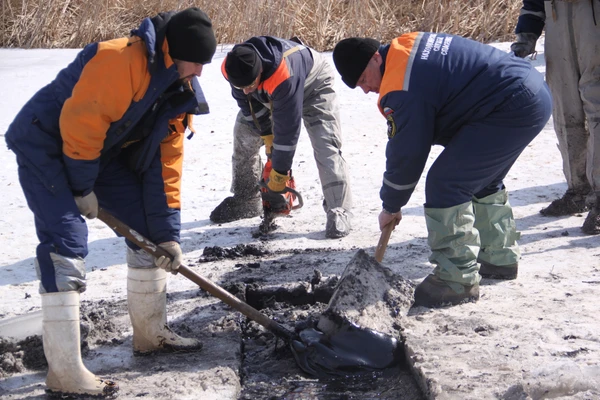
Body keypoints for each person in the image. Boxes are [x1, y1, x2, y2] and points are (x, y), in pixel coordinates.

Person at [4, 7, 217, 397]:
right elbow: (80, 123)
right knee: (66, 241)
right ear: (174, 50)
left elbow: (165, 166)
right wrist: (82, 188)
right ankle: (65, 372)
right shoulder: (120, 60)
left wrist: (167, 236)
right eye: (196, 62)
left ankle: (150, 335)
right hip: (46, 143)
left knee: (145, 233)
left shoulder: (179, 93)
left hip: (96, 153)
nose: (200, 73)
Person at [332, 33, 552, 308]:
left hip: (510, 103)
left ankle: (456, 280)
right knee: (480, 178)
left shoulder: (401, 86)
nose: (365, 89)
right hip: (529, 91)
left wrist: (392, 204)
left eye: (363, 79)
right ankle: (499, 257)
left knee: (446, 183)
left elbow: (407, 153)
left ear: (376, 57)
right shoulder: (405, 48)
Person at [210, 36, 353, 238]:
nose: (245, 89)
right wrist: (266, 134)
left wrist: (279, 171)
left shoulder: (282, 74)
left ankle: (339, 210)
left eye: (249, 84)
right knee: (243, 133)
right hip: (269, 90)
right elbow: (247, 102)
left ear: (259, 71)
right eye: (241, 86)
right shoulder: (233, 66)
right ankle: (247, 199)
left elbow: (287, 129)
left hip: (314, 84)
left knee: (325, 144)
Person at [511, 0, 600, 234]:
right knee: (564, 107)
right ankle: (577, 190)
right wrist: (526, 35)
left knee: (598, 110)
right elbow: (533, 3)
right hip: (557, 23)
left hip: (594, 22)